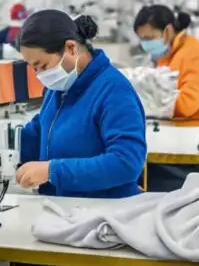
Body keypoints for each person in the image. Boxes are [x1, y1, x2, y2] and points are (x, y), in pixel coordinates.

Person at [15, 10, 146, 198]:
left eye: (42, 66)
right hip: (67, 207)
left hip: (105, 211)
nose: (39, 75)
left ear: (70, 48)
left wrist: (52, 171)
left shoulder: (113, 91)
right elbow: (40, 132)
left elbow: (126, 162)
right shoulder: (59, 87)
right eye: (34, 69)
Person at [133, 5, 199, 122]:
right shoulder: (166, 55)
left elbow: (187, 105)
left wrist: (150, 99)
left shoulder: (194, 54)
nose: (146, 44)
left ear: (168, 31)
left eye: (149, 38)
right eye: (142, 40)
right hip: (189, 128)